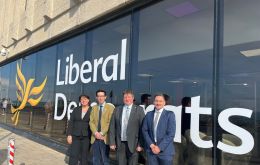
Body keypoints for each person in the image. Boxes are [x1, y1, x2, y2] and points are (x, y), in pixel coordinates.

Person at [109, 89, 145, 165]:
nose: (127, 99)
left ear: (133, 98)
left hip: (134, 144)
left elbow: (143, 129)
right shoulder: (117, 109)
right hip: (120, 143)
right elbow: (112, 126)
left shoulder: (139, 110)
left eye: (129, 97)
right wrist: (112, 142)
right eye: (125, 97)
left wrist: (140, 144)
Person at [142, 93, 176, 165]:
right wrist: (151, 145)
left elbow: (171, 134)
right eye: (156, 101)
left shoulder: (170, 115)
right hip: (151, 152)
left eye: (160, 101)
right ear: (154, 102)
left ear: (164, 103)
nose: (158, 103)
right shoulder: (149, 114)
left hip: (165, 152)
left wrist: (159, 148)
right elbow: (144, 131)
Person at [89, 89, 115, 165]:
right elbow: (91, 122)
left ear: (105, 97)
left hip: (105, 138)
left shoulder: (110, 108)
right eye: (98, 96)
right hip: (95, 137)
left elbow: (110, 122)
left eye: (102, 96)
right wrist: (96, 133)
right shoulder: (94, 108)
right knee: (95, 159)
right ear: (96, 97)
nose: (100, 98)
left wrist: (101, 133)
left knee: (105, 160)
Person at [67, 95, 92, 165]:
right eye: (81, 99)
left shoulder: (92, 110)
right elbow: (71, 122)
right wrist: (69, 135)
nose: (83, 100)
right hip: (75, 135)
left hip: (87, 136)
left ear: (88, 100)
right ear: (80, 101)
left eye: (85, 99)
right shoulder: (76, 109)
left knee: (84, 156)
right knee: (73, 154)